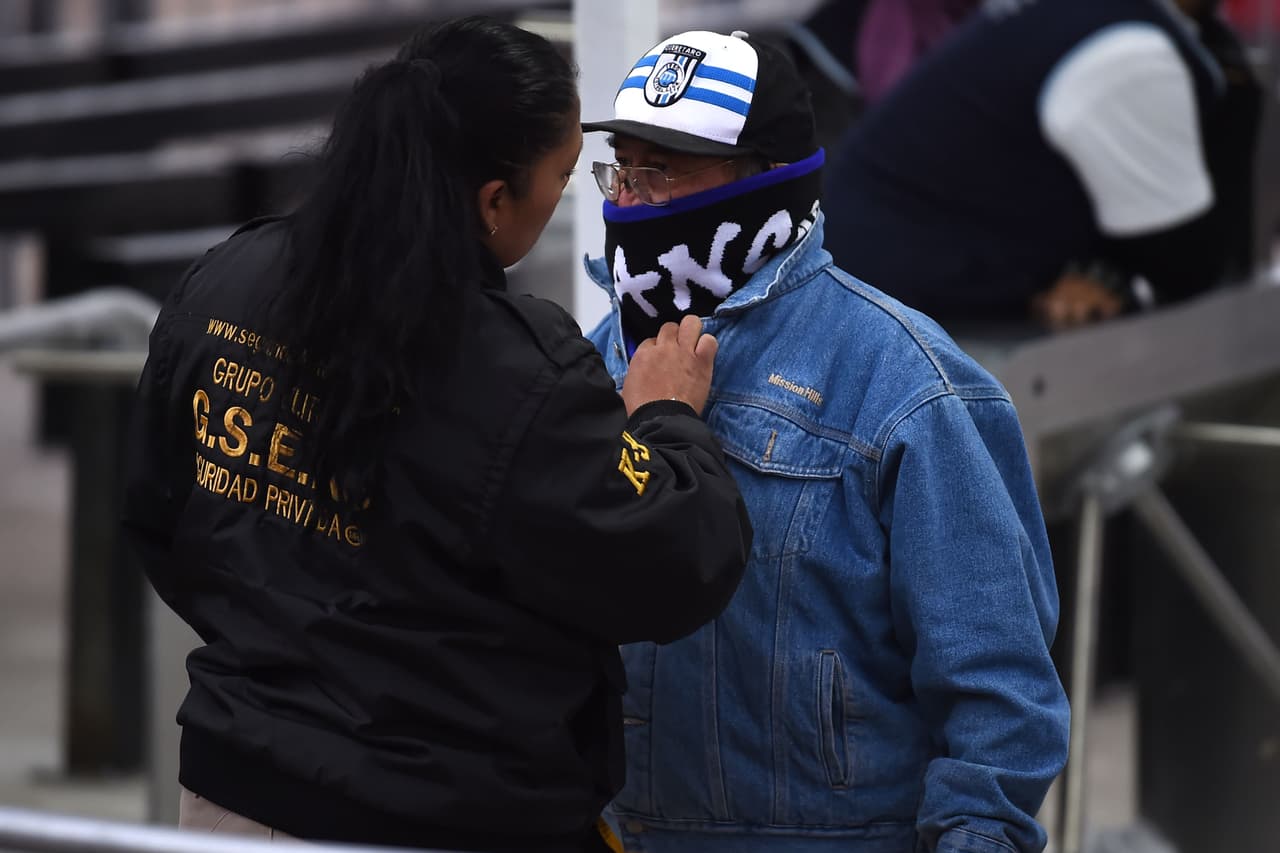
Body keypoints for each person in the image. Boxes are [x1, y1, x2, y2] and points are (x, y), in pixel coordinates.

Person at [121, 16, 752, 853]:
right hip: (437, 813)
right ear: (495, 200)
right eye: (565, 179)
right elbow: (676, 562)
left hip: (231, 795)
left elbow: (160, 517)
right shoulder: (518, 372)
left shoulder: (224, 284)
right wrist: (665, 419)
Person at [580, 29, 1069, 853]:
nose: (633, 202)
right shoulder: (597, 357)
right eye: (621, 171)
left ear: (766, 180)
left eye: (662, 172)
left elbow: (1000, 702)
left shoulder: (906, 383)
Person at [821, 0, 1261, 330]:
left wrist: (1103, 273)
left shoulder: (1077, 14)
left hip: (877, 293)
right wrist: (1116, 275)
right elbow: (1187, 264)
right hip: (888, 323)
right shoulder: (1129, 51)